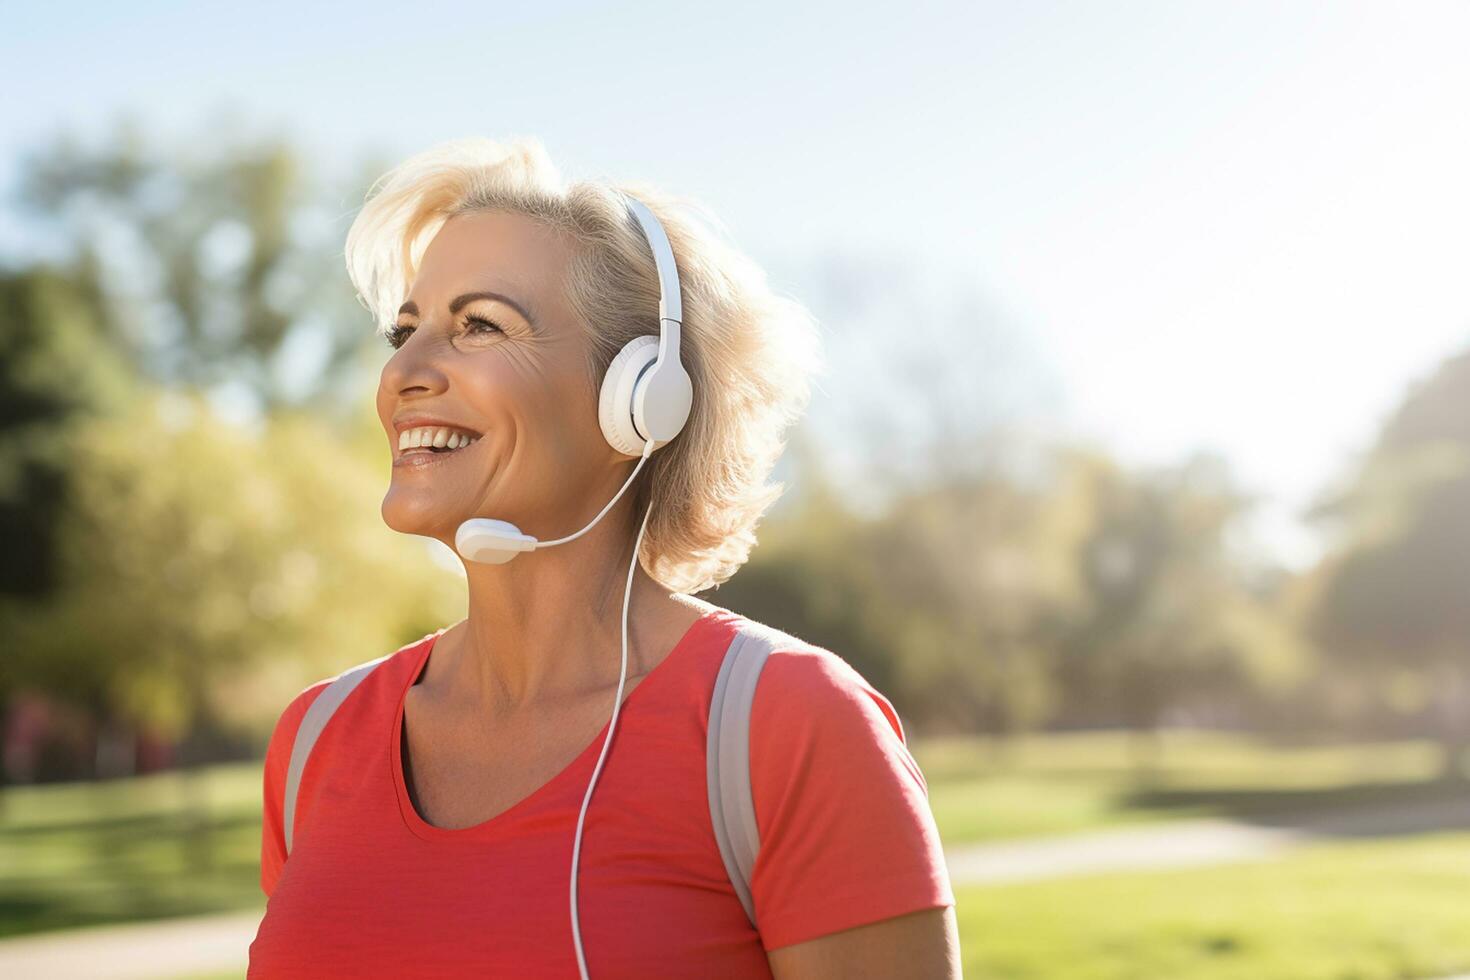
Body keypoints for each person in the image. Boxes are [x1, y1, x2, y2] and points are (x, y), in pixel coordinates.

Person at [248, 136, 959, 978]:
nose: (405, 369)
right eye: (405, 331)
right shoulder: (316, 742)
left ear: (640, 400)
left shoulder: (791, 727)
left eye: (479, 325)